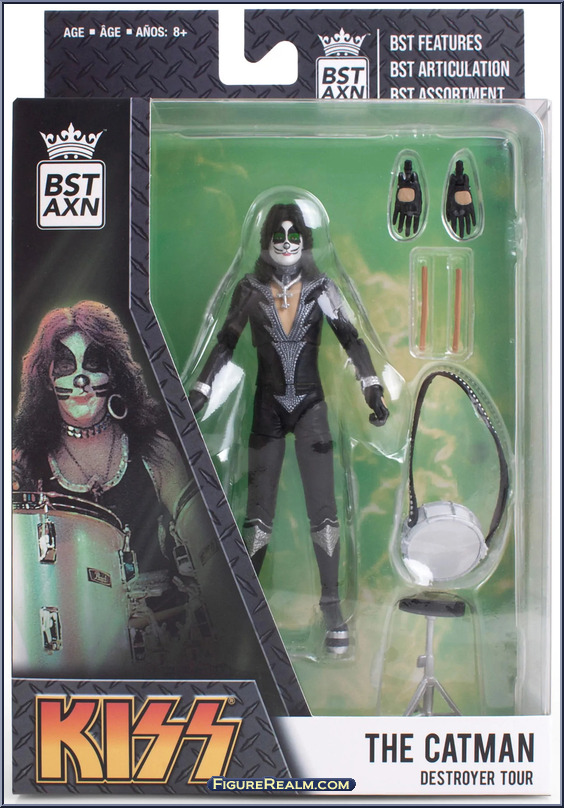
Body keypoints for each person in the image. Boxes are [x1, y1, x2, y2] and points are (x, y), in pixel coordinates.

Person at [189, 202, 389, 654]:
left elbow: (352, 339)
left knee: (325, 511)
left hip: (312, 407)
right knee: (258, 515)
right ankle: (245, 607)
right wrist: (202, 389)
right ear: (265, 240)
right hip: (267, 408)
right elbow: (225, 341)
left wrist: (372, 387)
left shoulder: (322, 288)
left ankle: (332, 606)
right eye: (277, 234)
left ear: (305, 239)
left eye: (293, 233)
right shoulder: (250, 288)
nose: (285, 242)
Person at [13, 300, 200, 671]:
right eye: (65, 365)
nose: (80, 380)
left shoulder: (154, 449)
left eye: (94, 363)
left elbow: (204, 540)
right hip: (71, 652)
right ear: (47, 379)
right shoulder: (24, 462)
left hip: (166, 644)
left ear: (114, 372)